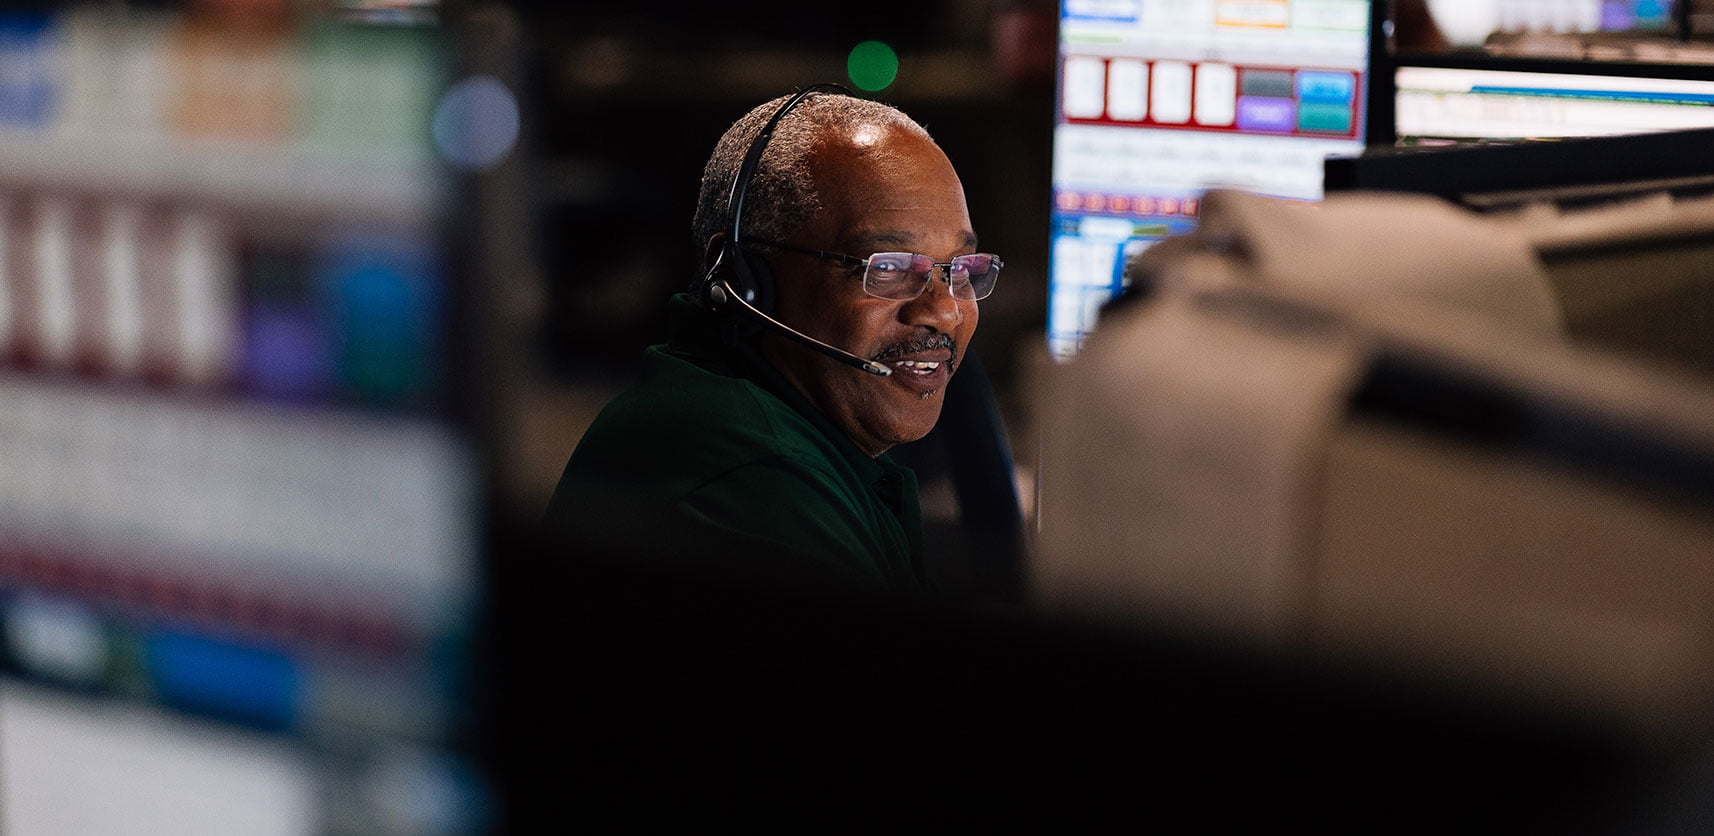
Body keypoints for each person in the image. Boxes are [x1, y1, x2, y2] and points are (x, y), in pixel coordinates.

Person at [542, 86, 1000, 596]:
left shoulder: (776, 434)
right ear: (743, 280)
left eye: (962, 268)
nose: (944, 310)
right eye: (888, 268)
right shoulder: (754, 481)